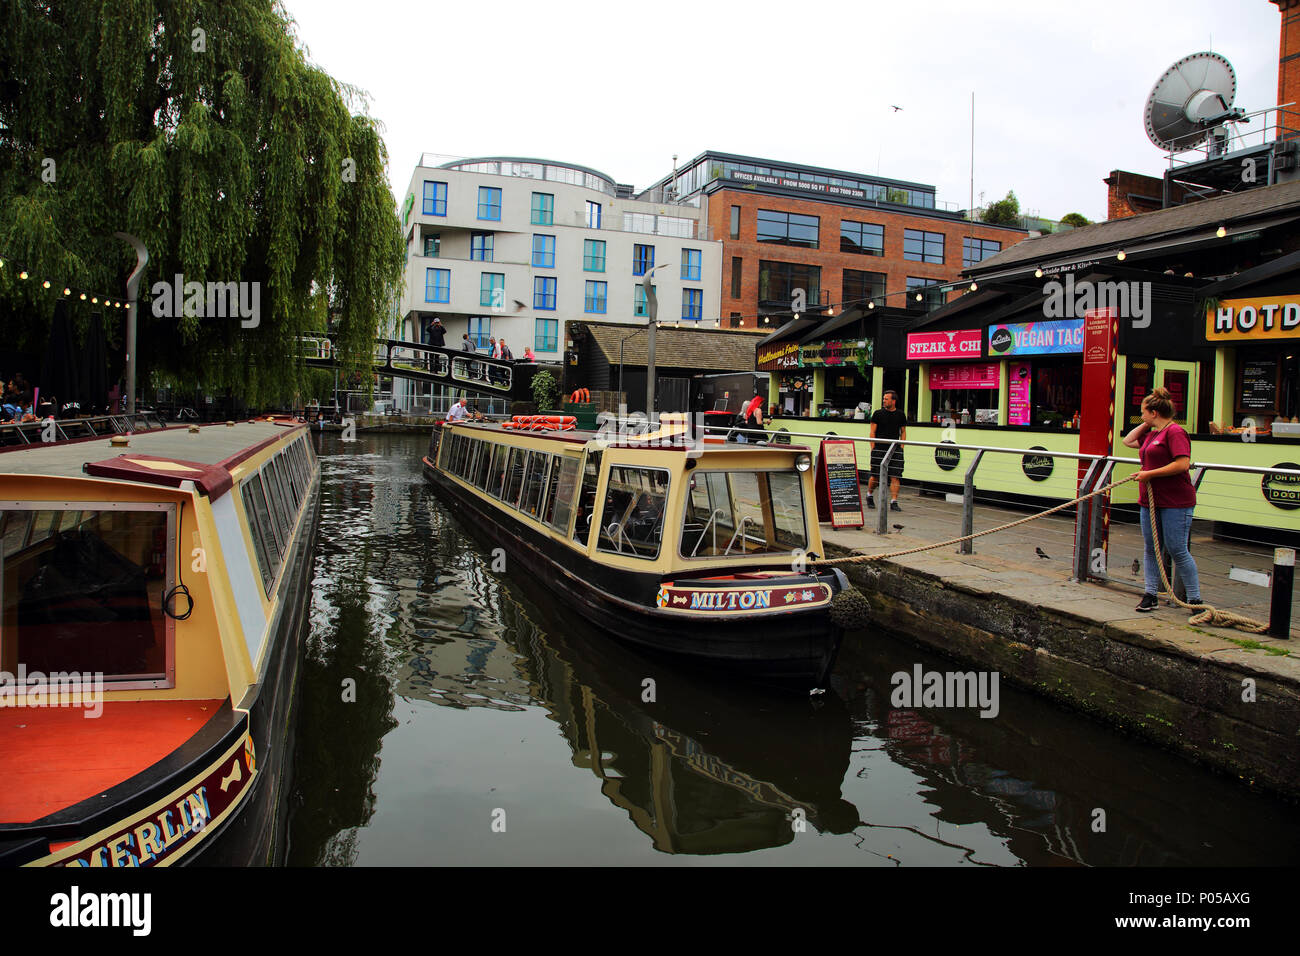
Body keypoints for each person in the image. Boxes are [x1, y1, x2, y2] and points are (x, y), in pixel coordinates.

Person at [1122, 386, 1202, 612]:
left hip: (1175, 501)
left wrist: (1149, 474)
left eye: (1144, 412)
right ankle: (1150, 594)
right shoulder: (1152, 434)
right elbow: (1128, 440)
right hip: (1150, 500)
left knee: (1177, 549)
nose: (1142, 416)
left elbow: (1182, 464)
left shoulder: (1175, 433)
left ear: (1154, 412)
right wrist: (1147, 424)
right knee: (1151, 548)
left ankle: (1195, 599)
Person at [867, 389, 907, 511]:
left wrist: (902, 446)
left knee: (895, 476)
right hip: (879, 448)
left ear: (893, 401)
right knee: (875, 475)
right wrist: (873, 447)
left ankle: (894, 501)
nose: (884, 401)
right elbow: (872, 431)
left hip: (895, 448)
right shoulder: (878, 414)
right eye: (883, 399)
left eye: (886, 399)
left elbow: (903, 431)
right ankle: (869, 495)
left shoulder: (900, 414)